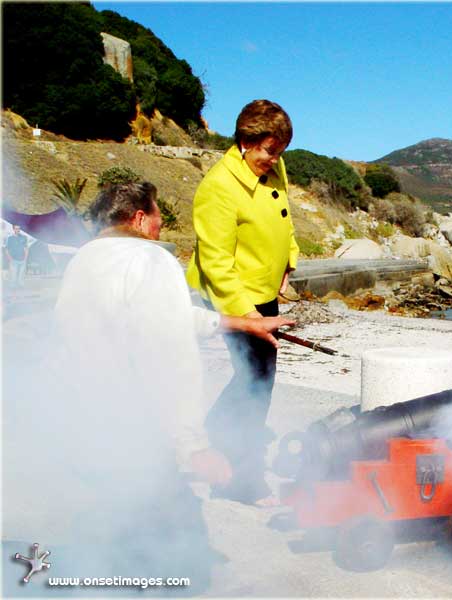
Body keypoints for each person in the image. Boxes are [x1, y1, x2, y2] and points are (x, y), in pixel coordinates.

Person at [47, 182, 295, 594]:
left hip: (84, 426)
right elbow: (170, 355)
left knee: (113, 536)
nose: (162, 224)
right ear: (140, 218)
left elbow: (164, 319)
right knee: (170, 554)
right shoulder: (149, 259)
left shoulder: (85, 261)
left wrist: (239, 322)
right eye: (159, 214)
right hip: (136, 433)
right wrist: (193, 445)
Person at [186, 99, 299, 505]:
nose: (275, 159)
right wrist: (247, 314)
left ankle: (216, 431)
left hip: (263, 294)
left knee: (256, 379)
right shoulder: (218, 186)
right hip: (233, 298)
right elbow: (215, 261)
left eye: (280, 151)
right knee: (255, 385)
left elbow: (283, 217)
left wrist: (289, 259)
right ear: (245, 141)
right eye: (269, 150)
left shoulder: (272, 167)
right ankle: (240, 480)